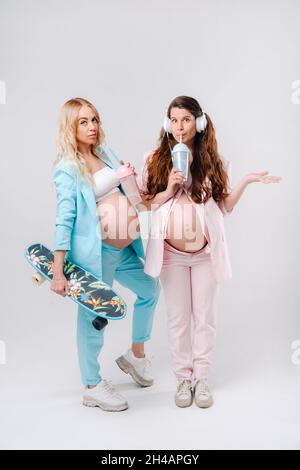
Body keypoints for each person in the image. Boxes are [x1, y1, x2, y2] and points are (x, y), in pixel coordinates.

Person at [138, 95, 282, 408]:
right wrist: (169, 189)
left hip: (204, 254)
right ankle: (182, 379)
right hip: (172, 256)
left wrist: (246, 181)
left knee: (204, 317)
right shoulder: (154, 160)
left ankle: (201, 377)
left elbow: (224, 207)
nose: (179, 127)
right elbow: (146, 203)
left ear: (199, 123)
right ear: (167, 123)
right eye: (174, 120)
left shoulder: (214, 161)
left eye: (186, 120)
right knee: (178, 319)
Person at [51, 98, 160, 412]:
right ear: (70, 127)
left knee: (150, 289)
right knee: (94, 317)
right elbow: (64, 218)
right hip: (96, 255)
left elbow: (131, 194)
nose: (92, 127)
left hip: (124, 247)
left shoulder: (105, 152)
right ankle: (92, 385)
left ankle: (135, 356)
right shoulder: (67, 168)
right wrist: (58, 273)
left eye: (94, 119)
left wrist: (134, 181)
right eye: (83, 122)